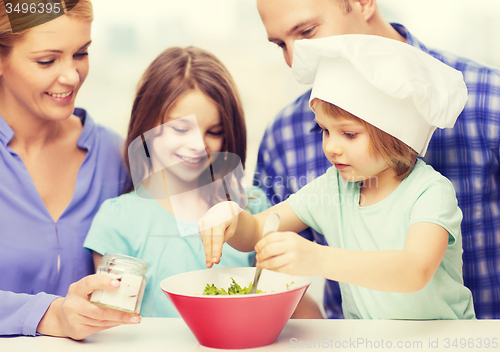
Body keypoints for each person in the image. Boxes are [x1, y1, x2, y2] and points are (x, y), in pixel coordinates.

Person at [199, 34, 476, 320]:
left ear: (394, 133)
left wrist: (318, 258)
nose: (331, 146)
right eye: (325, 130)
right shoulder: (334, 188)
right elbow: (259, 230)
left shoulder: (430, 192)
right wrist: (231, 217)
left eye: (349, 134)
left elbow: (414, 270)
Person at [253, 0, 500, 319]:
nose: (293, 60)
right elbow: (266, 250)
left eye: (307, 31)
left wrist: (319, 258)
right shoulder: (285, 138)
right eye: (279, 45)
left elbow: (415, 268)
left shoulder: (490, 102)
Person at [83, 46, 271, 317]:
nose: (197, 145)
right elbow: (113, 322)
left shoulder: (252, 207)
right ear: (147, 126)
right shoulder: (119, 220)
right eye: (181, 128)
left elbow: (279, 304)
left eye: (214, 131)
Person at [0, 0, 140, 339]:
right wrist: (50, 315)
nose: (71, 75)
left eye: (81, 53)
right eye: (47, 60)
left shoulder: (114, 156)